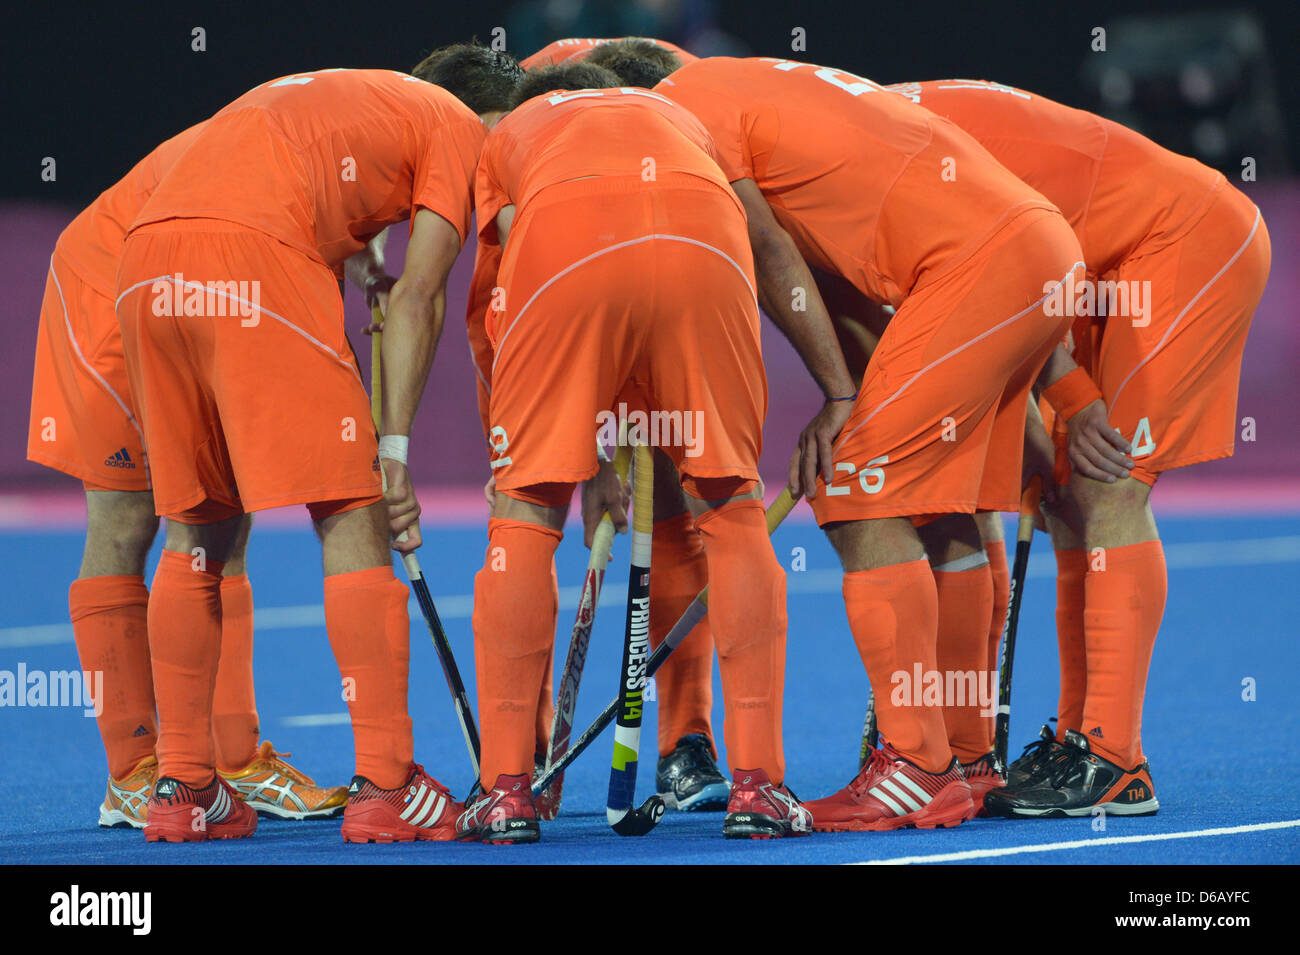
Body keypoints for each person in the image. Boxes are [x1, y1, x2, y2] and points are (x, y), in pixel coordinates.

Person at [657, 56, 1084, 831]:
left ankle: (916, 765)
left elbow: (772, 254)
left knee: (855, 492)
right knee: (945, 509)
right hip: (1033, 249)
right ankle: (963, 753)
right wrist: (851, 390)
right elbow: (843, 289)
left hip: (978, 264)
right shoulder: (754, 86)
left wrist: (841, 397)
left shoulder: (676, 106)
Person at [113, 65, 497, 843]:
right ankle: (388, 781)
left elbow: (309, 196)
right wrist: (393, 453)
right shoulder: (462, 123)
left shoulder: (352, 99)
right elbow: (419, 294)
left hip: (147, 265)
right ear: (490, 110)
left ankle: (183, 785)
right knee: (353, 503)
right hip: (248, 253)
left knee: (197, 523)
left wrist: (350, 251)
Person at [891, 78, 1271, 817]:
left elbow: (1001, 282)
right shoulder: (869, 133)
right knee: (1063, 490)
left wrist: (1064, 400)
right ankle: (1075, 740)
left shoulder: (891, 154)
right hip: (1088, 268)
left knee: (1109, 485)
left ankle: (1117, 757)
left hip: (1183, 237)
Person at [455, 61, 805, 842]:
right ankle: (760, 787)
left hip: (569, 244)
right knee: (730, 504)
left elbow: (494, 318)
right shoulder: (677, 111)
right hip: (708, 240)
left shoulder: (510, 133)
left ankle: (506, 788)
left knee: (523, 511)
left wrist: (545, 464)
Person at [27, 124, 347, 829]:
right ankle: (133, 774)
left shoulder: (334, 154)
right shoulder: (323, 148)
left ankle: (235, 761)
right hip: (105, 278)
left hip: (192, 279)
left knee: (221, 512)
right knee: (127, 517)